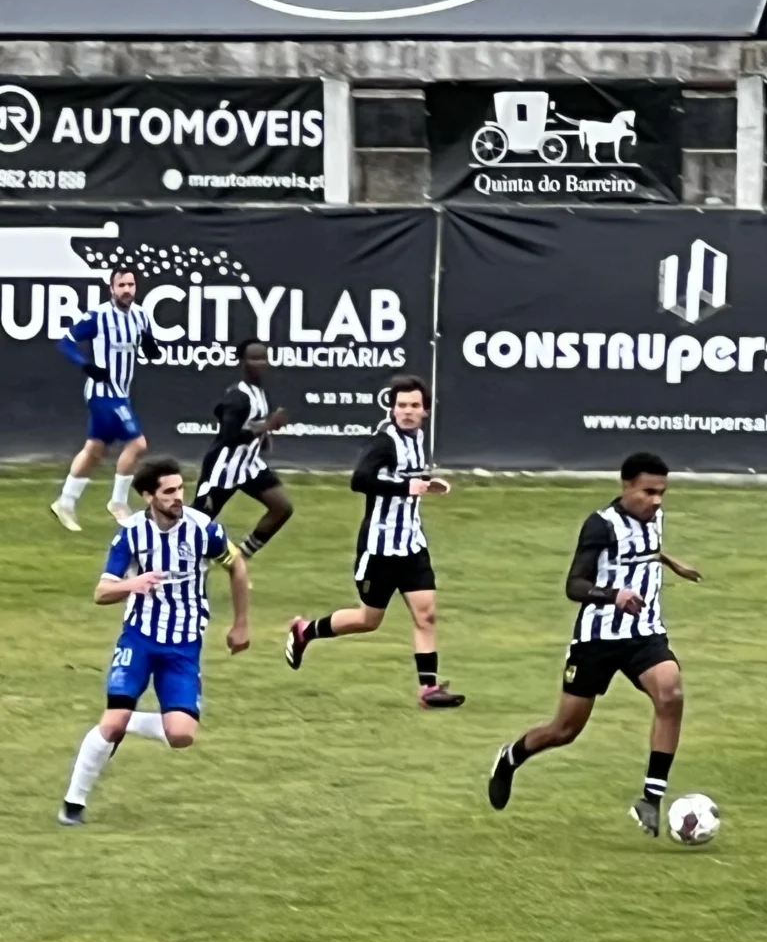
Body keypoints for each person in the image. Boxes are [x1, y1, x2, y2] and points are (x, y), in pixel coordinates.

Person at [486, 450, 703, 835]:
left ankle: (650, 798)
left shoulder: (655, 516)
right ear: (626, 487)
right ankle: (511, 756)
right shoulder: (599, 525)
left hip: (644, 633)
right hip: (596, 641)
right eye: (648, 491)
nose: (656, 500)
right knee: (564, 731)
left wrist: (672, 563)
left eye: (662, 492)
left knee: (670, 694)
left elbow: (645, 548)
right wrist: (614, 595)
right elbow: (575, 585)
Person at [60, 457, 250, 825]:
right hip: (139, 639)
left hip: (184, 645)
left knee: (181, 735)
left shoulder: (203, 529)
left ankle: (125, 721)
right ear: (149, 496)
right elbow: (102, 592)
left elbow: (237, 565)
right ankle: (73, 803)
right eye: (169, 492)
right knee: (111, 722)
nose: (179, 497)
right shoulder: (130, 534)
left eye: (180, 489)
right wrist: (133, 584)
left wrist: (241, 624)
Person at [283, 376, 464, 708]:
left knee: (426, 616)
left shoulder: (418, 438)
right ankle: (305, 631)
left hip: (412, 544)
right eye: (401, 406)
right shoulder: (384, 441)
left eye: (414, 406)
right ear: (392, 408)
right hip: (379, 550)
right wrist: (406, 488)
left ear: (425, 411)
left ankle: (428, 689)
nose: (407, 412)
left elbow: (403, 478)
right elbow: (360, 480)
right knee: (369, 620)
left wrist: (426, 483)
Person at [50, 266, 155, 531]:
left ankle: (65, 501)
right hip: (102, 393)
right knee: (138, 444)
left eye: (131, 285)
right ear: (112, 289)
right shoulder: (98, 316)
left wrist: (152, 347)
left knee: (94, 450)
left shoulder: (141, 315)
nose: (127, 290)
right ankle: (118, 502)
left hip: (122, 393)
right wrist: (86, 365)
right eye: (122, 285)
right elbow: (66, 342)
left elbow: (150, 348)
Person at [193, 338, 294, 558]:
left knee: (282, 508)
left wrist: (264, 435)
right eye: (254, 358)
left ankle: (241, 556)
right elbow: (229, 436)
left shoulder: (258, 392)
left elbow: (245, 424)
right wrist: (268, 426)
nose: (260, 363)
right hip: (223, 467)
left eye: (263, 358)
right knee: (195, 526)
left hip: (248, 466)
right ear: (242, 361)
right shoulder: (238, 396)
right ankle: (160, 559)